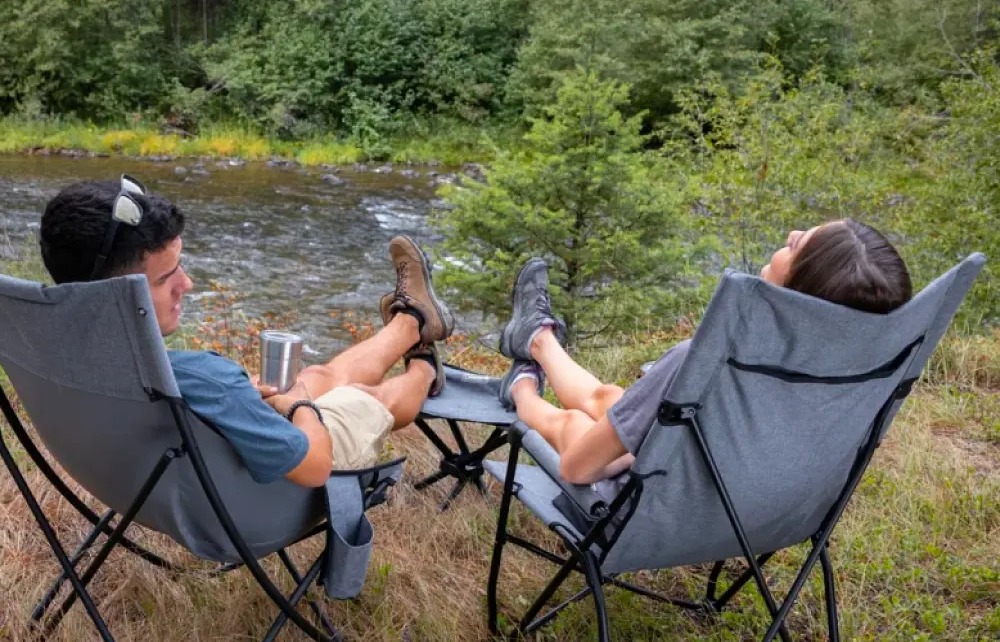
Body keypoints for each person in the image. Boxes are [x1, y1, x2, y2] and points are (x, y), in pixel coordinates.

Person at [38, 176, 455, 487]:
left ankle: (411, 321)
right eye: (167, 278)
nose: (188, 284)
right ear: (115, 297)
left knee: (313, 379)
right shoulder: (203, 380)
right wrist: (298, 409)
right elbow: (315, 468)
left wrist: (262, 400)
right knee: (359, 399)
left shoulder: (57, 354)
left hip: (164, 483)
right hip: (265, 500)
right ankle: (423, 365)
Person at [497, 219, 914, 489]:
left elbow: (577, 469)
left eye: (796, 244)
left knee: (578, 423)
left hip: (668, 497)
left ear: (800, 287)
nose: (787, 236)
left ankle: (521, 387)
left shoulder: (702, 364)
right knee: (607, 399)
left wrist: (619, 458)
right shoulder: (856, 376)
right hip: (754, 506)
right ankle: (538, 340)